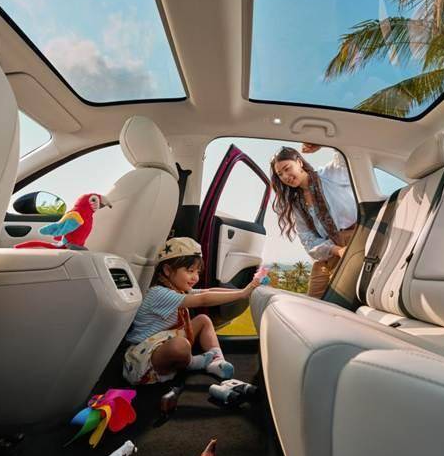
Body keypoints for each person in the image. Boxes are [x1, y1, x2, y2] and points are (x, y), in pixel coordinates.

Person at [122, 237, 261, 385]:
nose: (195, 277)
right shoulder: (159, 293)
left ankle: (216, 361)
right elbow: (203, 299)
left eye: (198, 272)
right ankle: (193, 363)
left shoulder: (177, 290)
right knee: (180, 346)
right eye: (190, 271)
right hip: (144, 360)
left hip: (162, 342)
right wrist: (242, 294)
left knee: (203, 320)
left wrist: (244, 291)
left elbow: (208, 291)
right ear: (167, 270)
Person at [269, 143, 357, 298]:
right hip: (330, 249)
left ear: (299, 162)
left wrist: (323, 142)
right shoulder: (297, 203)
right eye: (280, 174)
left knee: (339, 297)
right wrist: (336, 250)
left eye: (287, 168)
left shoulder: (330, 174)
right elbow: (307, 239)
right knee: (313, 299)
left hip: (354, 238)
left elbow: (346, 152)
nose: (285, 176)